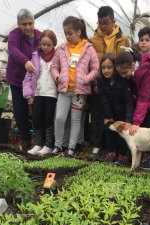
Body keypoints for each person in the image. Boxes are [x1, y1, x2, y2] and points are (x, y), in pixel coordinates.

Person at [50, 16, 99, 158]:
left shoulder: (88, 48)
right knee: (59, 118)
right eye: (65, 33)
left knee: (76, 120)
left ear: (78, 32)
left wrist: (86, 79)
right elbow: (54, 66)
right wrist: (58, 77)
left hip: (80, 93)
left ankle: (72, 148)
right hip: (64, 91)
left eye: (70, 33)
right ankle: (58, 146)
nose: (67, 36)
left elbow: (95, 68)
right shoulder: (61, 48)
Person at [89, 6, 130, 160]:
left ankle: (115, 149)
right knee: (98, 115)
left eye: (106, 23)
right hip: (99, 82)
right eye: (100, 23)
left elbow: (126, 60)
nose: (103, 26)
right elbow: (90, 63)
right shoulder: (93, 40)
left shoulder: (123, 39)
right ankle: (97, 145)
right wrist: (94, 83)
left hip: (117, 84)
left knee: (116, 115)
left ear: (113, 21)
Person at [7, 9, 41, 154]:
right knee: (20, 110)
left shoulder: (40, 36)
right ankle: (25, 138)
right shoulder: (14, 35)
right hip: (17, 79)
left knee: (38, 110)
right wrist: (25, 61)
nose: (28, 27)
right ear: (18, 24)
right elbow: (13, 49)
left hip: (35, 81)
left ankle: (40, 140)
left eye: (30, 23)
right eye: (24, 24)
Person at [22, 30, 58, 156]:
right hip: (38, 93)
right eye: (43, 44)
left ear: (54, 44)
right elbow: (28, 78)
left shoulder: (58, 57)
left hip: (52, 94)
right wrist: (29, 95)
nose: (45, 47)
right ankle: (38, 143)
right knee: (36, 119)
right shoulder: (36, 57)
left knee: (48, 120)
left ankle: (48, 145)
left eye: (48, 45)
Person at [98, 53, 135, 167]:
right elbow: (103, 99)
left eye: (109, 67)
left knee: (122, 133)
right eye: (103, 68)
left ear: (115, 68)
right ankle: (111, 153)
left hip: (123, 113)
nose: (106, 71)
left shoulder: (122, 80)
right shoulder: (101, 80)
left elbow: (129, 101)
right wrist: (108, 116)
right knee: (109, 129)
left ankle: (123, 155)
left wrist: (128, 119)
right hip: (109, 112)